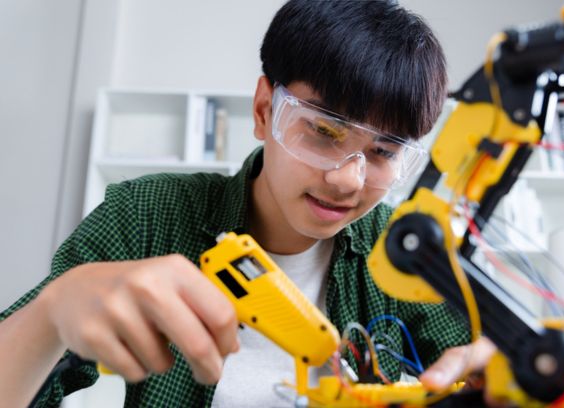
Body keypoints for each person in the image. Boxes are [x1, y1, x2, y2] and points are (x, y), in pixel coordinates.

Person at [0, 1, 495, 407]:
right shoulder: (148, 216)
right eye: (323, 133)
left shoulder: (404, 255)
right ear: (264, 111)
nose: (347, 180)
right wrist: (51, 313)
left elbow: (478, 362)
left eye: (383, 152)